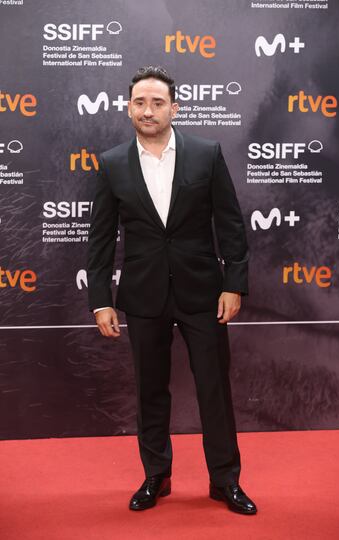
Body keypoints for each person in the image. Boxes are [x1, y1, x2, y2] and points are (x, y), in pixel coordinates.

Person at [86, 66, 257, 515]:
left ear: (174, 108)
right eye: (140, 102)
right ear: (128, 108)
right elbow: (100, 237)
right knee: (150, 390)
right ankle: (156, 477)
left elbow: (231, 224)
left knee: (214, 389)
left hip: (203, 292)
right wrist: (101, 298)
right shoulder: (111, 163)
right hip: (143, 296)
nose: (148, 110)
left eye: (157, 102)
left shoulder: (207, 153)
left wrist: (234, 284)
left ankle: (225, 481)